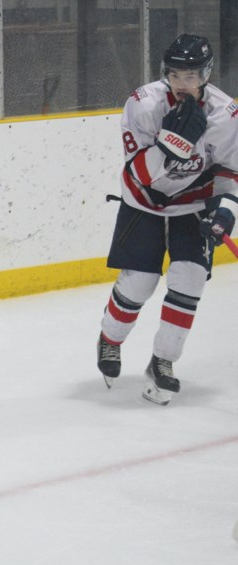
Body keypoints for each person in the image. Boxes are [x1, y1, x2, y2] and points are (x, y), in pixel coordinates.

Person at [96, 34, 236, 405]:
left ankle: (163, 362)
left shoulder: (225, 113)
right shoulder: (143, 104)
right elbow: (141, 175)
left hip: (193, 206)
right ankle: (110, 339)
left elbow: (231, 173)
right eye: (176, 75)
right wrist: (170, 143)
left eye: (191, 76)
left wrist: (225, 212)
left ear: (205, 74)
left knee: (189, 280)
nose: (183, 84)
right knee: (140, 282)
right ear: (166, 74)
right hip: (144, 203)